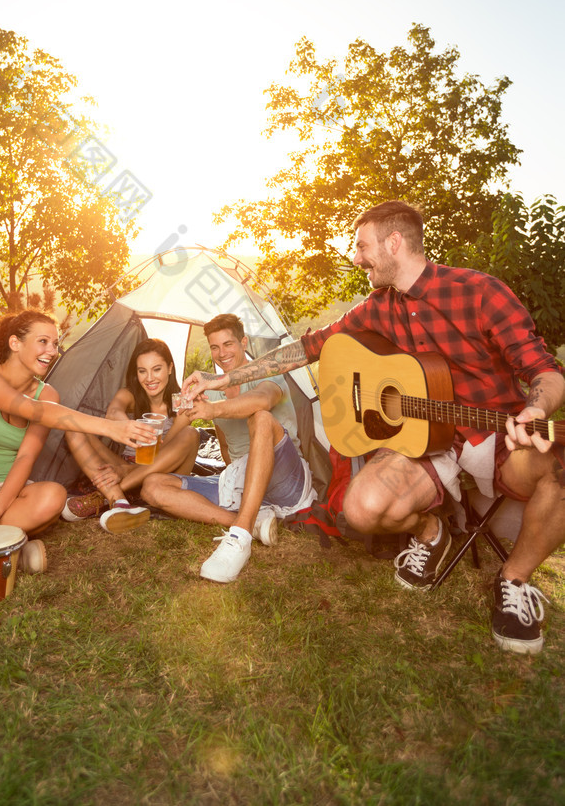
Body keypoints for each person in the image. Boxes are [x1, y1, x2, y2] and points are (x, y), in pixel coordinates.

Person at [182, 202, 565, 654]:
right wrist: (224, 379)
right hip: (425, 442)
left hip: (496, 435)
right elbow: (306, 349)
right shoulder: (377, 308)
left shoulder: (480, 293)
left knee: (559, 470)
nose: (357, 257)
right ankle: (431, 533)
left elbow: (546, 371)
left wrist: (536, 410)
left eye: (362, 247)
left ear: (394, 243)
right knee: (361, 510)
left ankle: (514, 580)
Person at [0, 310, 155, 570]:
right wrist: (112, 428)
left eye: (55, 343)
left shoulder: (47, 393)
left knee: (54, 495)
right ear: (15, 343)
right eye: (43, 341)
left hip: (4, 499)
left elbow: (26, 457)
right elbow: (33, 410)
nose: (52, 351)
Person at [142, 314, 316, 583]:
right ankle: (251, 519)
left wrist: (212, 409)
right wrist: (159, 439)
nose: (221, 353)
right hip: (242, 480)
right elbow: (220, 444)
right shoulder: (211, 390)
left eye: (228, 344)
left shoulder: (270, 374)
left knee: (260, 417)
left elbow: (261, 400)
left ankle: (240, 535)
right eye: (214, 347)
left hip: (286, 477)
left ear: (243, 342)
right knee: (153, 486)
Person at [62, 338, 200, 532]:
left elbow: (167, 447)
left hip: (162, 473)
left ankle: (104, 497)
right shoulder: (131, 394)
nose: (149, 378)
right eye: (142, 371)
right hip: (127, 463)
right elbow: (113, 412)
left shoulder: (181, 400)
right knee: (74, 428)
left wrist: (127, 470)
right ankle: (120, 501)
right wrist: (130, 426)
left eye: (156, 369)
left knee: (191, 433)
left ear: (169, 368)